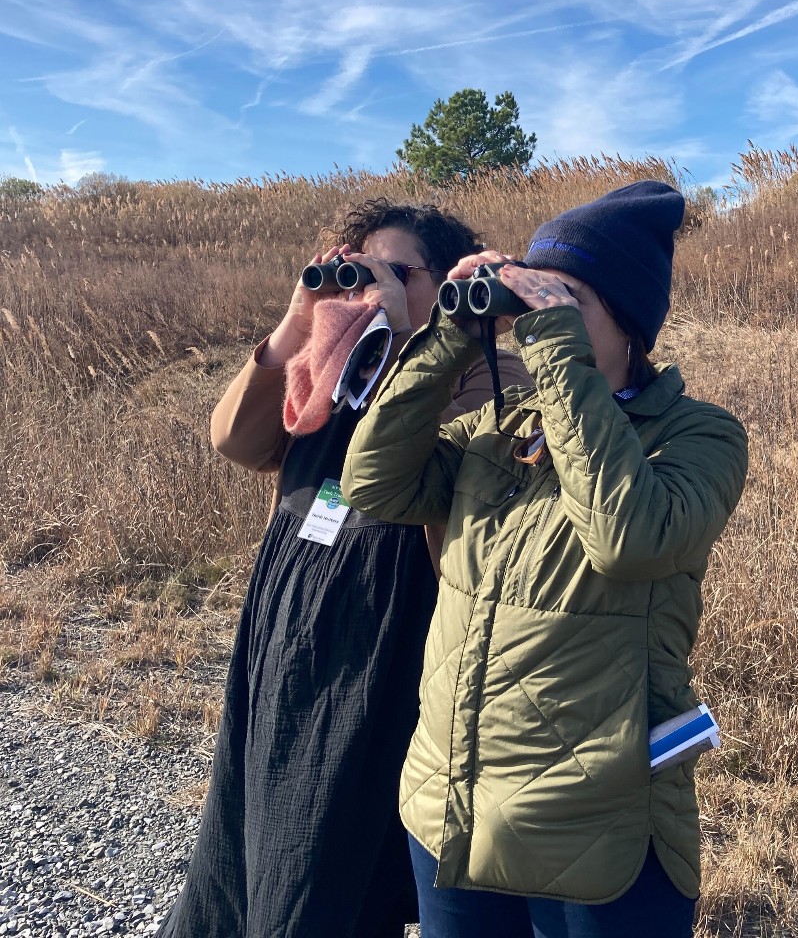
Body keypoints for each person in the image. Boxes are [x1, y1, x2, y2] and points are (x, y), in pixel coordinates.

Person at [341, 181, 749, 938]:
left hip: (600, 832)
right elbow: (374, 483)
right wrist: (450, 341)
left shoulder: (699, 437)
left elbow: (629, 538)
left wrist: (557, 352)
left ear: (628, 326)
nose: (533, 319)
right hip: (451, 810)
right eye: (529, 298)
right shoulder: (502, 426)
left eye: (562, 301)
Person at [158, 198, 532, 938]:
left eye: (402, 272)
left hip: (382, 639)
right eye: (365, 272)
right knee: (250, 830)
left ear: (449, 280)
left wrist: (414, 344)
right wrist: (300, 323)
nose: (376, 289)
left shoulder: (487, 375)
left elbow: (455, 500)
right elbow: (235, 440)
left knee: (329, 865)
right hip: (287, 626)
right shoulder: (328, 366)